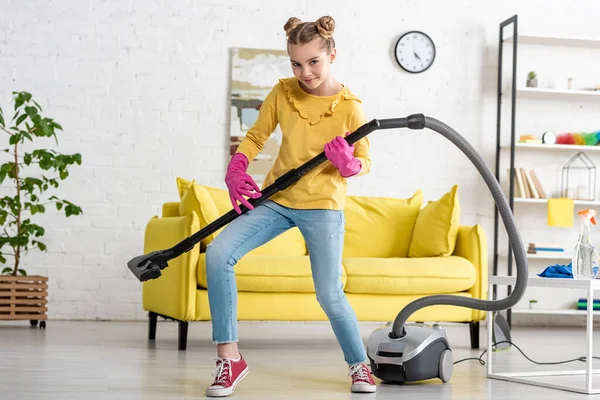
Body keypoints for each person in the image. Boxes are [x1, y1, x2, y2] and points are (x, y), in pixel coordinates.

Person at [204, 15, 375, 397]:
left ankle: (360, 366)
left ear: (332, 55)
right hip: (278, 199)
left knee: (329, 293)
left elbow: (365, 161)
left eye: (313, 61)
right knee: (218, 254)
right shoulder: (283, 92)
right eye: (296, 63)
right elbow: (255, 136)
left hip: (324, 206)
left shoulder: (350, 107)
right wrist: (236, 169)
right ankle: (230, 359)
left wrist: (349, 165)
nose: (305, 72)